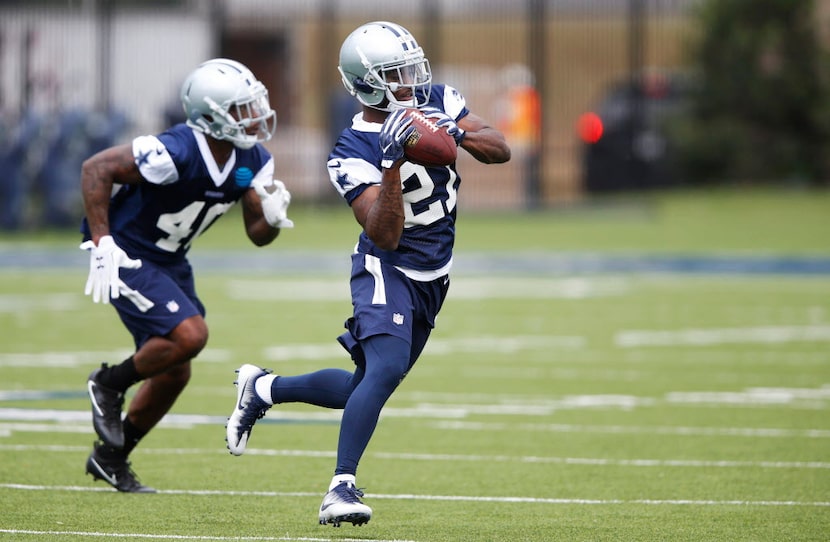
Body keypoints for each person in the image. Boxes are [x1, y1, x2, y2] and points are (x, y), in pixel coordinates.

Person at [225, 21, 511, 527]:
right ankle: (340, 487)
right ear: (368, 83)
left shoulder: (438, 98)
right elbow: (384, 234)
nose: (411, 80)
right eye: (397, 73)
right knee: (383, 370)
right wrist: (393, 163)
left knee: (369, 381)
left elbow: (499, 147)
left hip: (435, 271)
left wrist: (455, 132)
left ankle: (264, 389)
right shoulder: (349, 153)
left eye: (410, 67)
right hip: (387, 267)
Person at [81, 58, 294, 493]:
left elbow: (258, 237)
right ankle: (108, 384)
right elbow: (95, 169)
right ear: (211, 114)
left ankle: (110, 458)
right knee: (191, 336)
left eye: (254, 105)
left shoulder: (252, 160)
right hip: (127, 252)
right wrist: (103, 242)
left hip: (170, 259)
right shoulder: (175, 150)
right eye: (241, 108)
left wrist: (270, 216)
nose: (253, 116)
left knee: (176, 369)